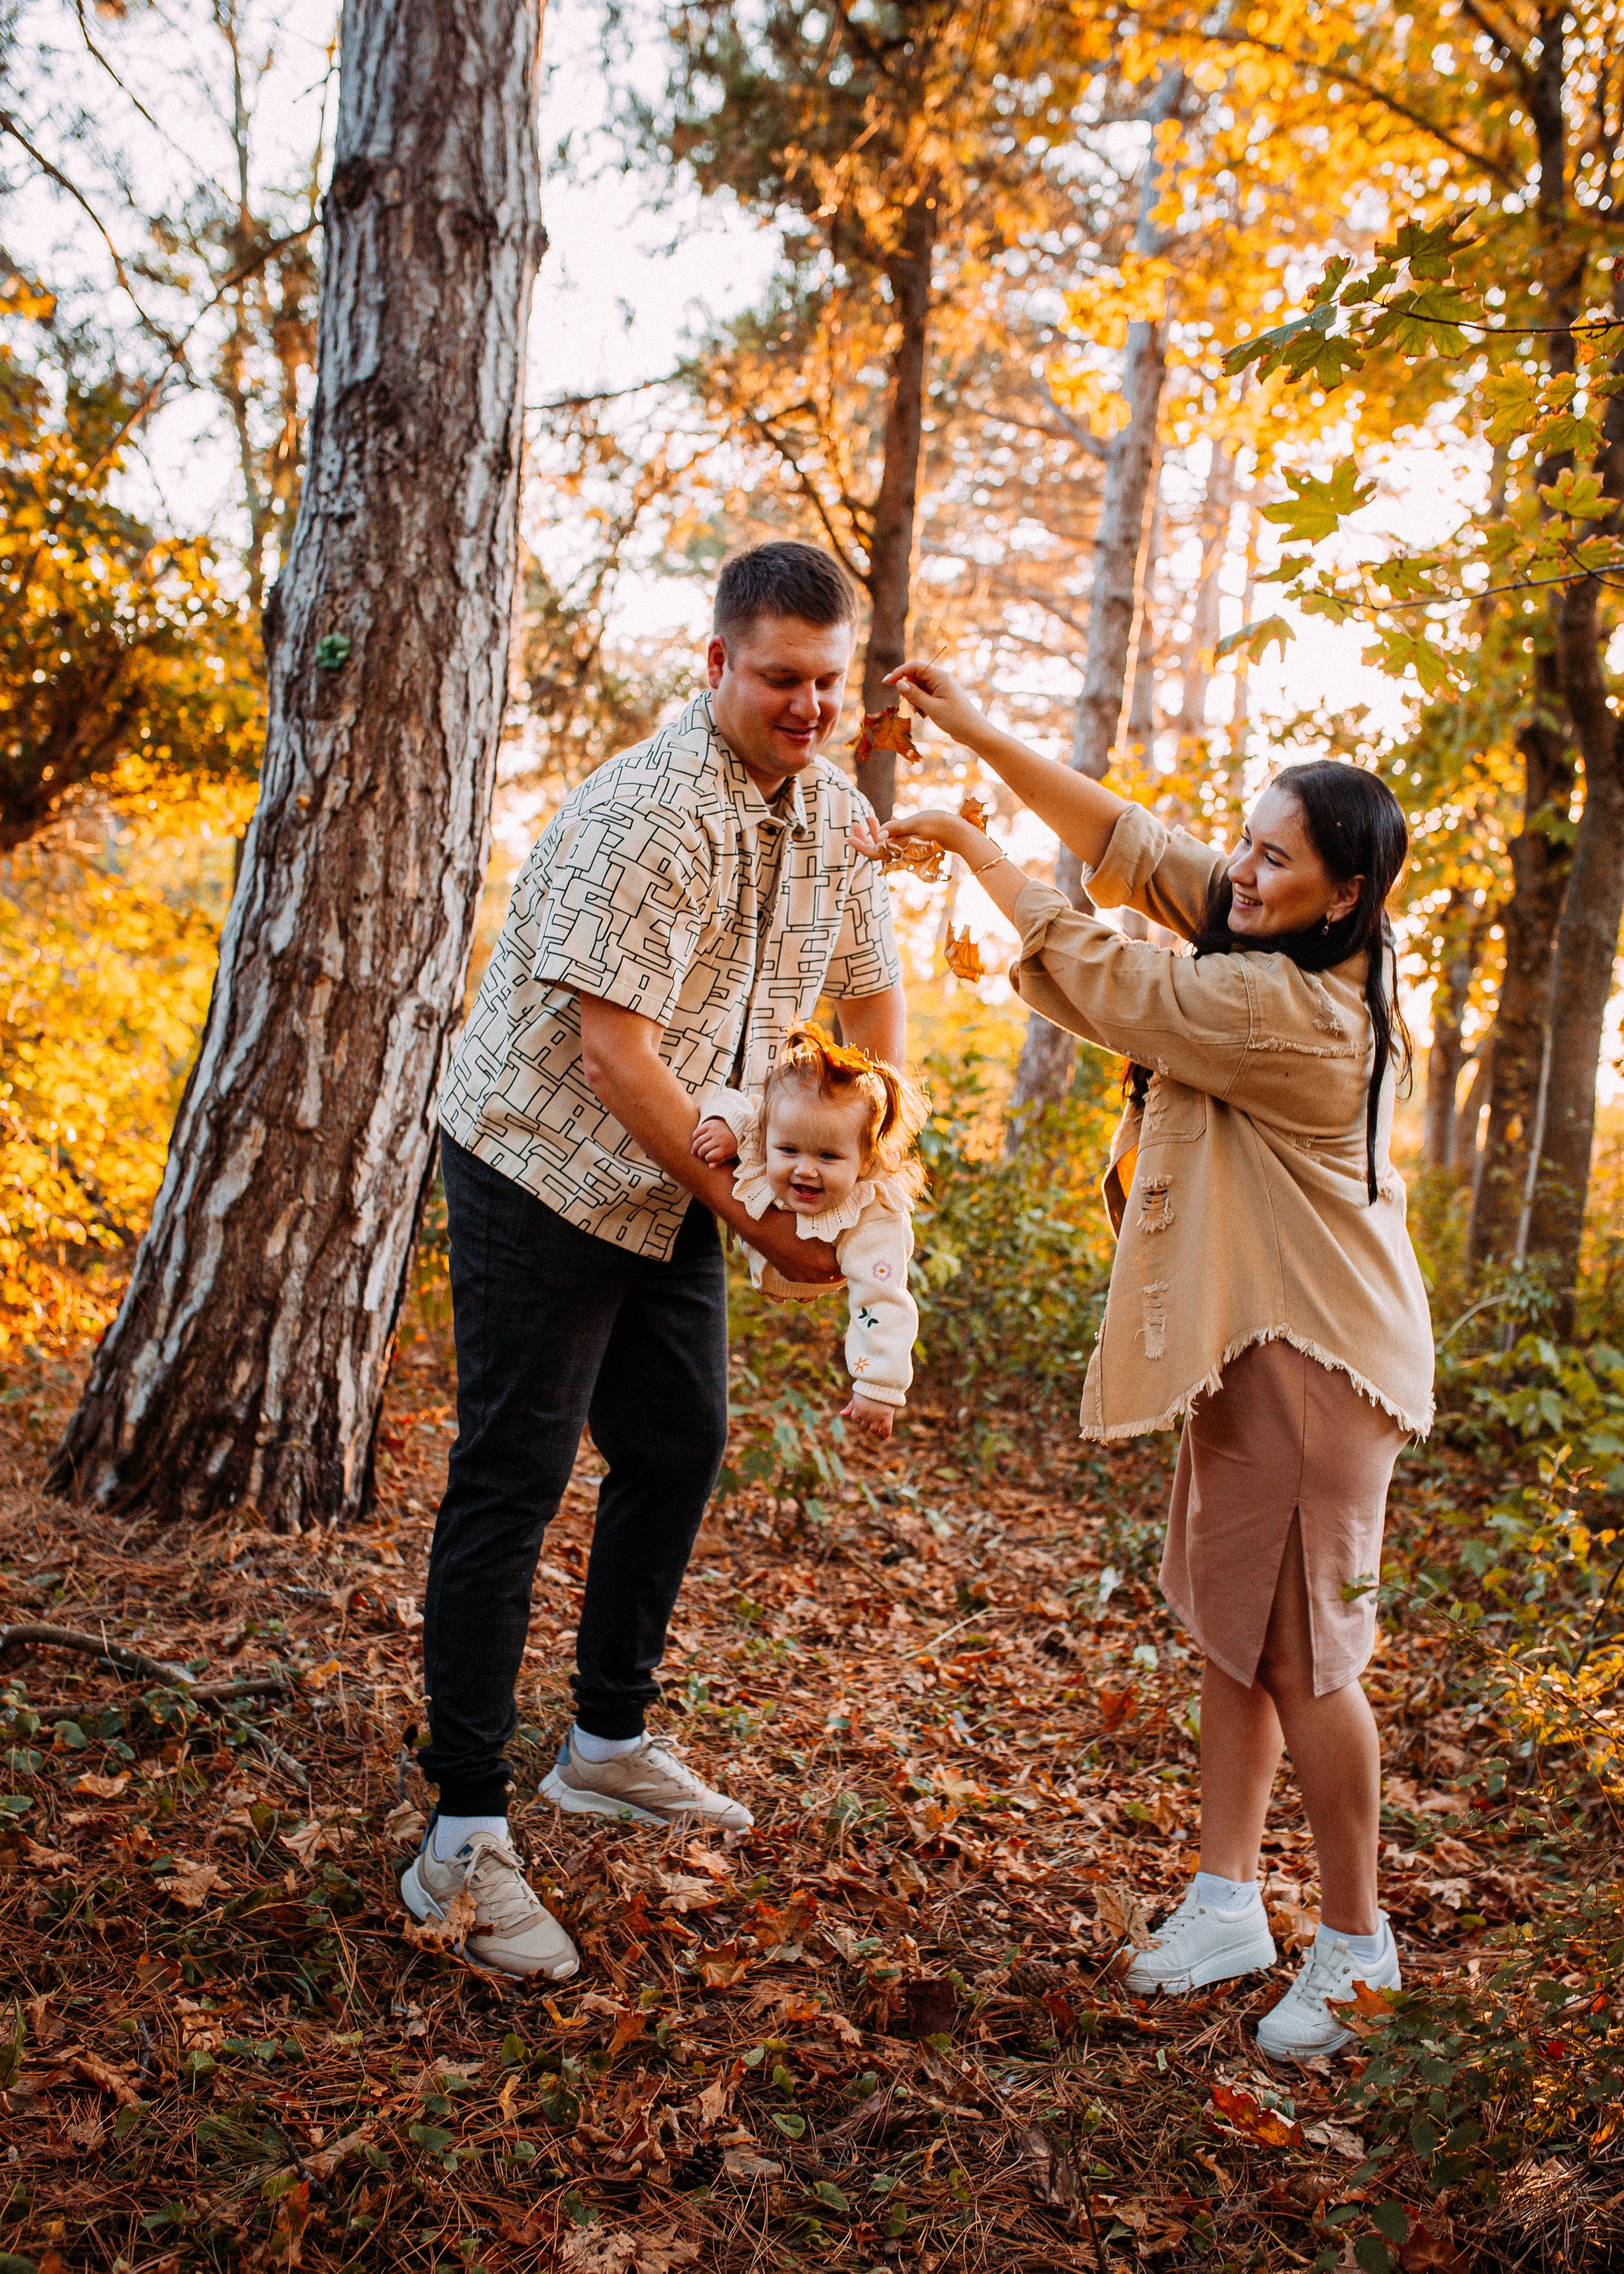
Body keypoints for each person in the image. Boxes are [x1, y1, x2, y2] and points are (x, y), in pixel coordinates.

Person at [868, 658, 1434, 2066]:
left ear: (1344, 894)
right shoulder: (1272, 927)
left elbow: (1114, 979)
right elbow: (1129, 845)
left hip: (1315, 1369)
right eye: (1245, 841)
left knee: (1306, 1662)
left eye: (1274, 858)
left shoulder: (1295, 1011)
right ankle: (1227, 1901)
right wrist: (975, 729)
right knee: (1235, 1638)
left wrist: (972, 846)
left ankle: (1357, 1944)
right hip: (1252, 1351)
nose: (1240, 870)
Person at [402, 542, 907, 1981]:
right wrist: (761, 1223)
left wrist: (860, 1165)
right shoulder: (645, 813)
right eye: (781, 676)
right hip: (545, 1161)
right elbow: (612, 1054)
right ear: (718, 663)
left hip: (694, 1162)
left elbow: (871, 998)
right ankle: (460, 1832)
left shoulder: (832, 812)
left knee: (678, 1443)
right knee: (513, 1475)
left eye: (829, 680)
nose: (810, 705)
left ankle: (604, 1743)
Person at [691, 1021, 929, 1441]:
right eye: (788, 1151)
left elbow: (883, 1300)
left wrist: (878, 1386)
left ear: (865, 1160)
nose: (805, 1169)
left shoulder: (874, 1216)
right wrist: (725, 1125)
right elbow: (736, 1102)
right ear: (768, 1138)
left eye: (828, 1157)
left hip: (826, 1280)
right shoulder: (767, 1132)